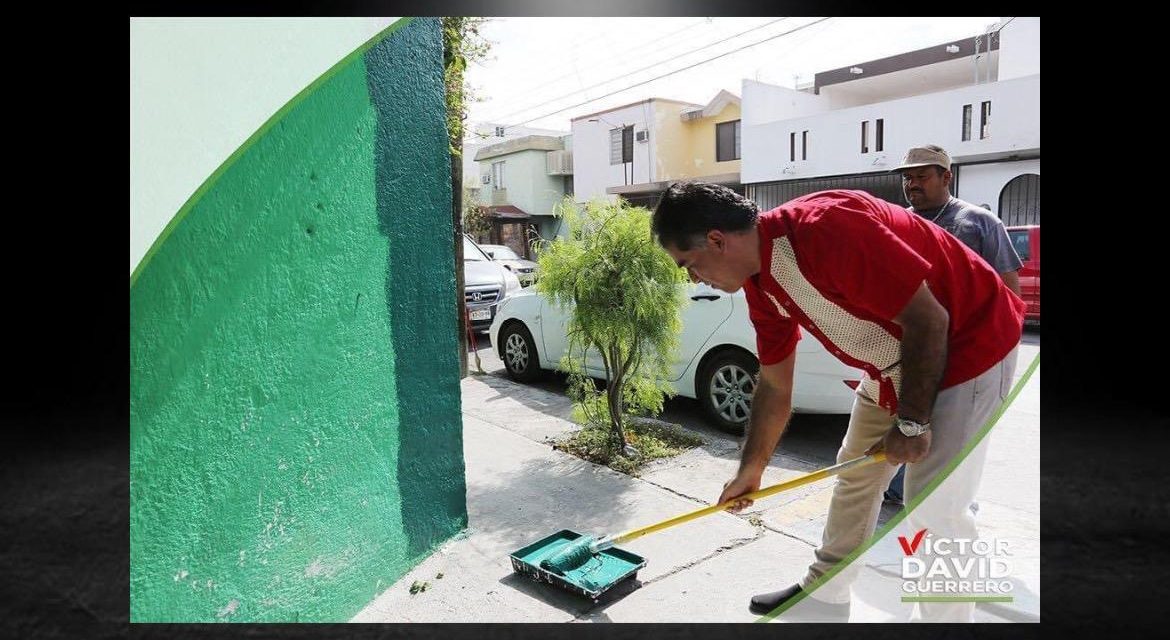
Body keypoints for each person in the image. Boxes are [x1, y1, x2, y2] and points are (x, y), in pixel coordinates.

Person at [651, 182, 1024, 622]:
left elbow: (929, 319)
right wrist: (750, 471)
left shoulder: (827, 228)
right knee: (856, 473)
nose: (694, 279)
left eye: (689, 265)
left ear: (717, 240)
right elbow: (774, 383)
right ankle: (825, 593)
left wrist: (911, 424)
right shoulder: (761, 284)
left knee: (936, 507)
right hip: (897, 359)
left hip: (970, 344)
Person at [883, 144, 1024, 506]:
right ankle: (905, 494)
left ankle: (952, 509)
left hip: (969, 354)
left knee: (956, 446)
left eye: (921, 176)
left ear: (946, 176)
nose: (912, 184)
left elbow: (1009, 292)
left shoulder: (978, 222)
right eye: (907, 177)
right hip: (912, 349)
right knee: (910, 423)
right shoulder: (897, 222)